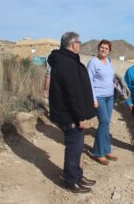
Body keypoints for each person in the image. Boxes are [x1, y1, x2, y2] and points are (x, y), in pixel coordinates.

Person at [46, 31, 96, 193]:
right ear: (73, 44)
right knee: (74, 149)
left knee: (78, 147)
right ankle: (70, 180)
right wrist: (80, 117)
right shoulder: (66, 63)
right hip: (70, 116)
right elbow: (72, 93)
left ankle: (77, 175)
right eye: (79, 42)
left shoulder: (65, 60)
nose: (80, 45)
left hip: (69, 113)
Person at [87, 39, 117, 165]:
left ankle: (106, 150)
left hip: (110, 96)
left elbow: (110, 77)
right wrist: (93, 99)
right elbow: (89, 82)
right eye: (102, 47)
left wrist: (113, 85)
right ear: (98, 48)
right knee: (103, 122)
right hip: (99, 97)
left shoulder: (109, 61)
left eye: (106, 48)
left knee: (107, 123)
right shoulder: (93, 62)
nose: (103, 49)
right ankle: (97, 153)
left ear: (109, 51)